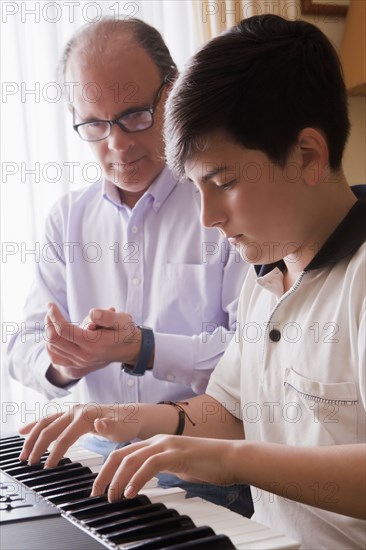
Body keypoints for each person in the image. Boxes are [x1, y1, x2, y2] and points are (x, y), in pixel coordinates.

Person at [18, 14, 366, 549]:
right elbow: (228, 410)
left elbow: (232, 444)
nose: (206, 219)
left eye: (223, 183)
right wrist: (118, 416)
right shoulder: (267, 269)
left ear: (308, 157)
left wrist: (227, 462)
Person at [7, 17, 253, 516]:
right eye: (94, 125)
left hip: (201, 467)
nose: (117, 145)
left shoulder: (225, 200)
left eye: (135, 115)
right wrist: (65, 362)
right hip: (98, 457)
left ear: (174, 92)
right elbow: (20, 347)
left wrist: (143, 347)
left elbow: (252, 361)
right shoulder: (67, 219)